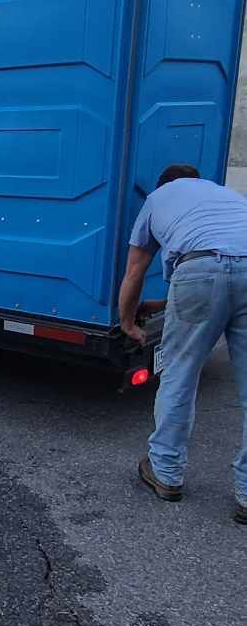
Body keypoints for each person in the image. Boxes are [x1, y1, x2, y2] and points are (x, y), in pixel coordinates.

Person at [117, 165, 247, 516]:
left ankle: (166, 473)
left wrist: (128, 320)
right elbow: (229, 272)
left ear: (164, 184)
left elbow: (135, 271)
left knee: (180, 374)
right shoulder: (226, 196)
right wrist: (162, 304)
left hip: (200, 272)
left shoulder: (157, 199)